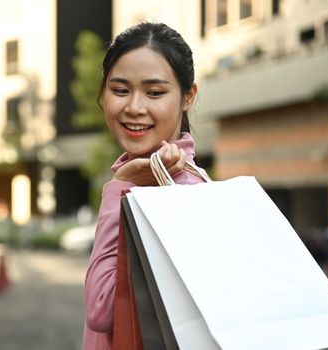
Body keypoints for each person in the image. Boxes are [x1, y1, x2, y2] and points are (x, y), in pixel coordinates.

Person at [83, 22, 208, 349]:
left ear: (187, 97)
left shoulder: (185, 196)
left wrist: (117, 191)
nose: (134, 107)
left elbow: (101, 311)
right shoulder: (142, 179)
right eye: (120, 90)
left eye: (155, 92)